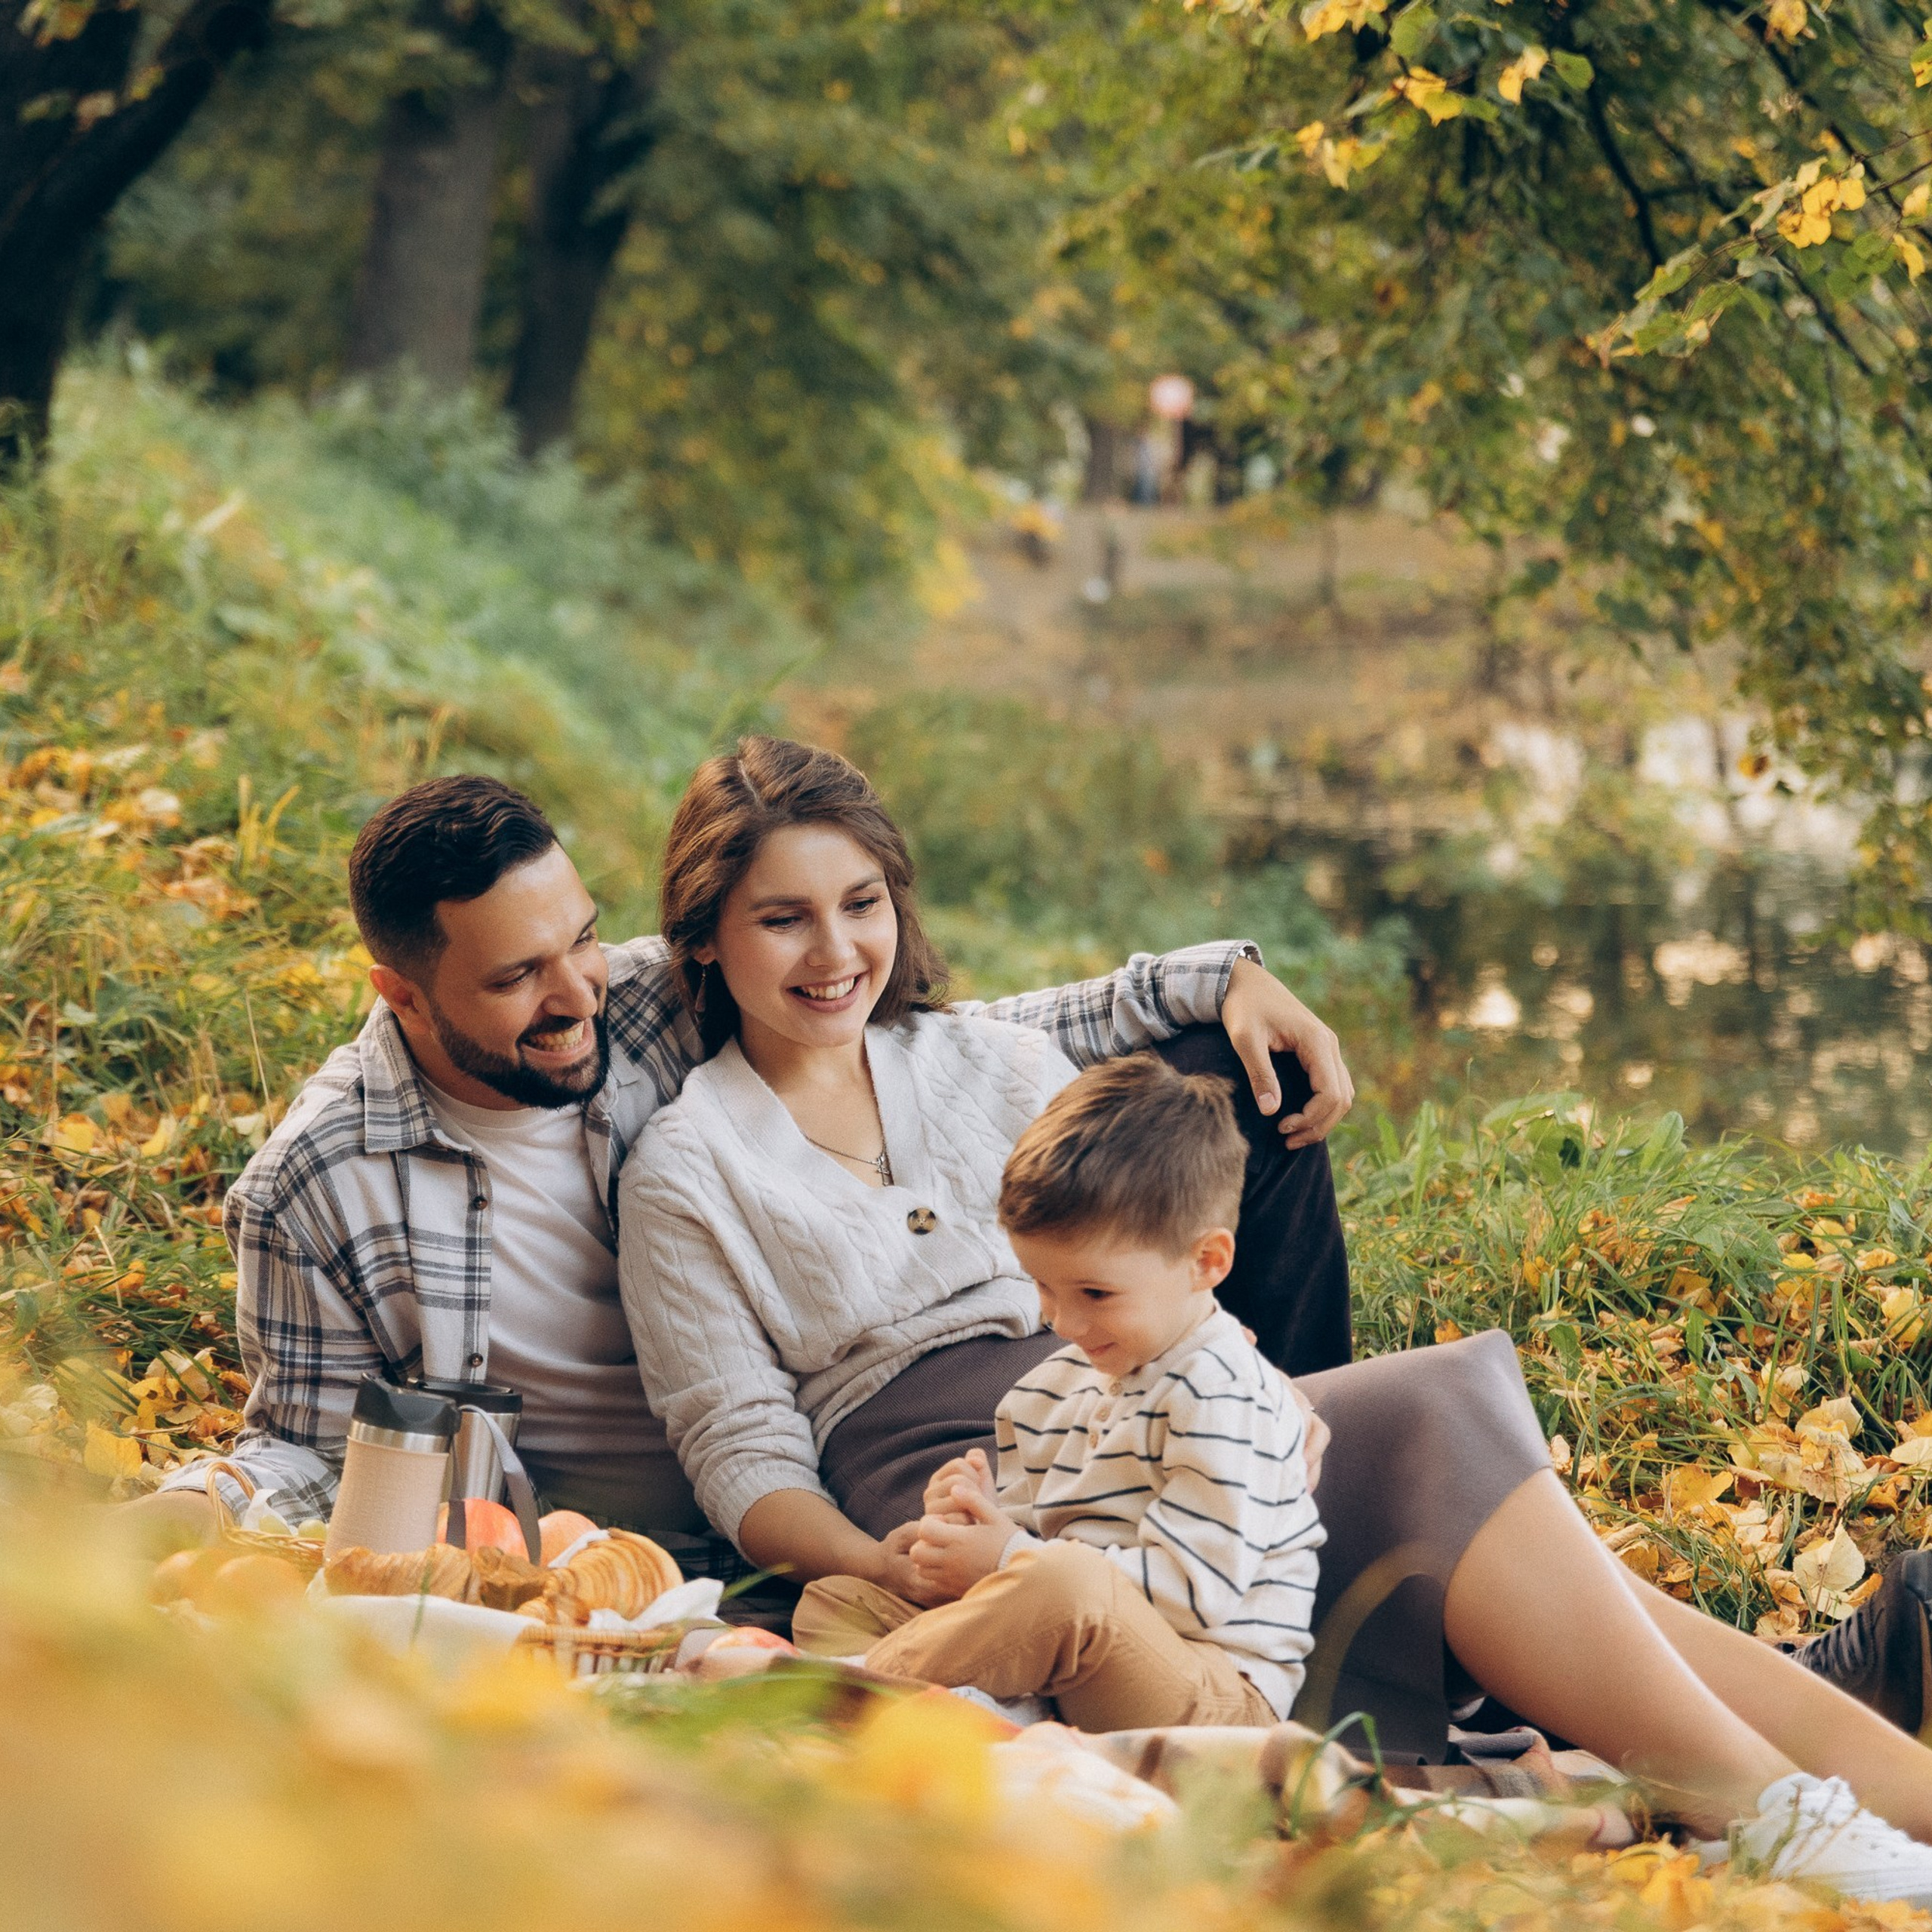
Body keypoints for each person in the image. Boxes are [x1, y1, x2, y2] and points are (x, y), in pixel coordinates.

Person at [622, 734, 1932, 1898]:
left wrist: (1226, 1352)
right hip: (972, 1488)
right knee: (1434, 1405)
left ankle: (1891, 1806)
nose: (837, 950)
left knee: (1439, 1441)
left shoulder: (991, 1058)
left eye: (861, 904)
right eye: (783, 918)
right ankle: (1771, 1812)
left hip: (1165, 1402)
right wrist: (892, 1562)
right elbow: (740, 1451)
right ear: (703, 940)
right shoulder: (688, 1165)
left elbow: (1135, 1239)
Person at [124, 771, 1354, 1552]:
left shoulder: (651, 993)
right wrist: (197, 1510)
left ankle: (1292, 1466)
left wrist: (1218, 978)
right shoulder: (315, 1189)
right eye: (515, 980)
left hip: (871, 1399)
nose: (576, 997)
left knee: (1232, 1070)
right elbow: (309, 1440)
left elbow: (942, 1046)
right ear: (399, 994)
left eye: (584, 941)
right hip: (687, 1514)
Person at [791, 1055, 1324, 1734]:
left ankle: (854, 1702)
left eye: (1096, 1294)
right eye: (1042, 1287)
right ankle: (972, 1719)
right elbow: (1030, 1547)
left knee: (1066, 1587)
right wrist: (972, 1523)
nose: (1062, 1323)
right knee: (837, 1602)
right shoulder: (1054, 1384)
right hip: (1066, 1658)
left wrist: (1012, 1557)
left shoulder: (1223, 1396)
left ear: (1205, 1263)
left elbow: (1193, 1597)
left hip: (1204, 1689)